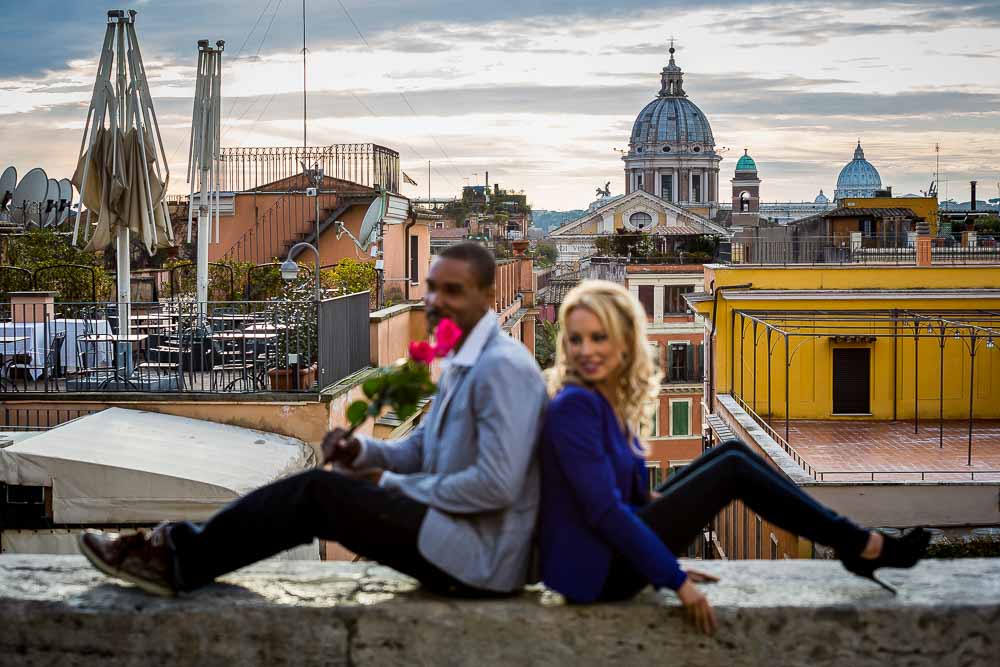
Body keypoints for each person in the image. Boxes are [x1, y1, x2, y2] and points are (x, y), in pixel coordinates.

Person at [78, 242, 548, 598]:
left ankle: (177, 559)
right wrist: (365, 452)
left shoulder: (501, 368)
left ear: (487, 296)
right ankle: (178, 554)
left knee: (319, 494)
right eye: (432, 288)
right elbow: (424, 448)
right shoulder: (467, 358)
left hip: (479, 558)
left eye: (453, 291)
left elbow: (496, 486)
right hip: (454, 536)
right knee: (322, 489)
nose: (435, 301)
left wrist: (389, 488)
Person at [538, 280, 929, 634]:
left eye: (598, 337)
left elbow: (637, 499)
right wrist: (674, 579)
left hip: (616, 557)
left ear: (623, 342)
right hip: (599, 572)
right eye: (576, 340)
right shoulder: (576, 405)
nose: (585, 350)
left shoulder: (605, 400)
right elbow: (605, 511)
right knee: (733, 468)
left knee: (731, 452)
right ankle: (865, 545)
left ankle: (858, 544)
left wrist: (660, 556)